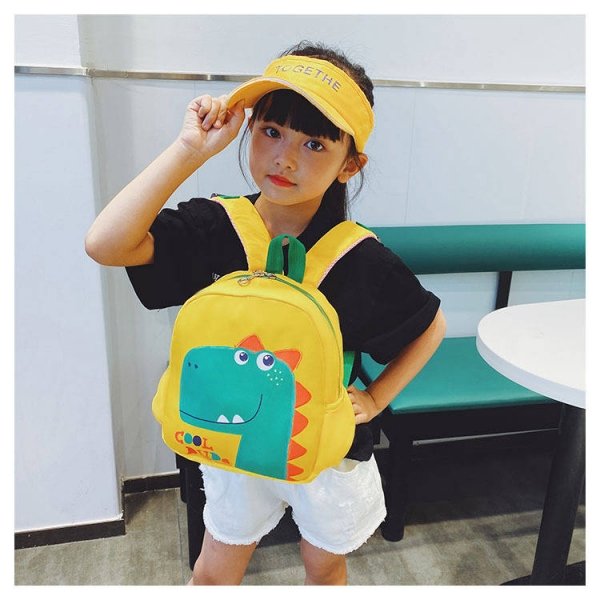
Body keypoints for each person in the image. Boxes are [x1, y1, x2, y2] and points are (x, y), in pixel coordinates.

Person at [86, 41, 446, 585]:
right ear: (250, 128)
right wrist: (189, 150)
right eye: (272, 131)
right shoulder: (216, 226)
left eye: (315, 143)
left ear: (350, 164)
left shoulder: (361, 257)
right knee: (212, 573)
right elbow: (105, 244)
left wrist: (376, 398)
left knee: (324, 571)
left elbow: (430, 326)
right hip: (231, 441)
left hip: (325, 452)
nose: (285, 158)